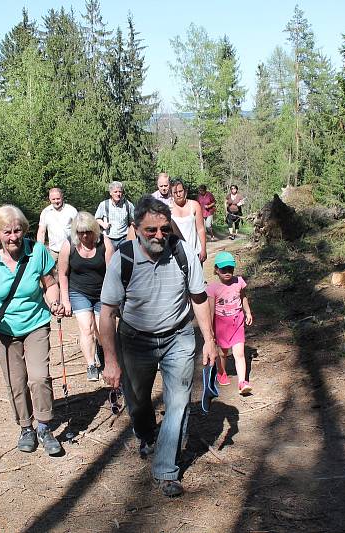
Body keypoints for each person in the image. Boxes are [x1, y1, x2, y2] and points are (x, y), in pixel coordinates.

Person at [99, 196, 216, 498]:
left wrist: (210, 340)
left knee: (178, 402)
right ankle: (147, 434)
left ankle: (166, 469)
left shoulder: (182, 252)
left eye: (164, 229)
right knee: (137, 401)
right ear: (136, 228)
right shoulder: (122, 259)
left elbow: (199, 298)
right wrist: (110, 360)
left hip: (178, 336)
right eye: (151, 230)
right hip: (135, 340)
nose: (159, 236)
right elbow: (108, 313)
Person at [0, 205, 65, 456]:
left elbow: (50, 283)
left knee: (39, 377)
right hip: (4, 329)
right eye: (7, 232)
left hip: (35, 323)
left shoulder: (37, 251)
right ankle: (25, 427)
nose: (13, 237)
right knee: (16, 381)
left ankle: (44, 426)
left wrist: (54, 302)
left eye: (18, 230)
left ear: (24, 230)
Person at [58, 212, 113, 382]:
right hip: (79, 291)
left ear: (94, 231)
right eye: (81, 232)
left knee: (103, 329)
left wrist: (115, 298)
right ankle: (91, 364)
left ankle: (102, 349)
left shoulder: (105, 243)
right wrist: (65, 300)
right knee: (86, 328)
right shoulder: (69, 245)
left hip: (103, 292)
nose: (84, 236)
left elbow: (112, 272)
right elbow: (62, 274)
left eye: (88, 232)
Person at [207, 251, 253, 395]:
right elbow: (211, 310)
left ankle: (242, 382)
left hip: (237, 322)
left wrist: (248, 312)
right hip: (221, 325)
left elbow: (243, 297)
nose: (227, 272)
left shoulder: (239, 281)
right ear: (216, 270)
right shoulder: (213, 288)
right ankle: (221, 372)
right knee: (223, 353)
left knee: (239, 353)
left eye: (230, 269)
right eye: (223, 269)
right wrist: (210, 330)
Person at [170, 178, 207, 263]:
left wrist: (203, 249)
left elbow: (201, 229)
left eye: (180, 191)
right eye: (175, 192)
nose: (178, 194)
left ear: (185, 191)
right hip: (177, 255)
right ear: (171, 194)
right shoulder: (168, 208)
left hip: (195, 253)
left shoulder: (194, 205)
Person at [37, 188, 78, 261]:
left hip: (70, 250)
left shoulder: (71, 210)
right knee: (50, 272)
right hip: (53, 251)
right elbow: (41, 232)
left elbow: (79, 229)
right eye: (53, 199)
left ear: (62, 197)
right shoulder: (46, 212)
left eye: (58, 199)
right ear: (49, 199)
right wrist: (40, 249)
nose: (56, 201)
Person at [95, 181, 135, 250]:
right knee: (110, 259)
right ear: (110, 193)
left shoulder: (128, 205)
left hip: (124, 238)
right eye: (115, 192)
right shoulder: (104, 204)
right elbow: (97, 218)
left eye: (120, 191)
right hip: (109, 238)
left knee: (124, 259)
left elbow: (134, 221)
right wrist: (104, 224)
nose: (118, 194)